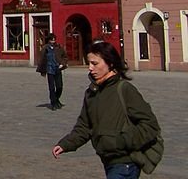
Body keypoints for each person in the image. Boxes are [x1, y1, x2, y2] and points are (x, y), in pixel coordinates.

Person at [52, 41, 161, 179]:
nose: (90, 68)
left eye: (95, 63)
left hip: (126, 162)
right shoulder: (91, 93)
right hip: (108, 161)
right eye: (89, 63)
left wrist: (122, 141)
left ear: (110, 63)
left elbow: (150, 125)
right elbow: (84, 126)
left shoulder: (124, 89)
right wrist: (66, 144)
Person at [37, 33, 68, 110]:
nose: (53, 41)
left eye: (54, 40)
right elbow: (42, 60)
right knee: (51, 88)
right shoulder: (45, 48)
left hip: (57, 68)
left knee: (59, 87)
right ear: (49, 40)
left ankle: (56, 99)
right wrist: (42, 71)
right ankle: (53, 103)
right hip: (49, 69)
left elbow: (65, 57)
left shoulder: (59, 47)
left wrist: (62, 64)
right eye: (51, 40)